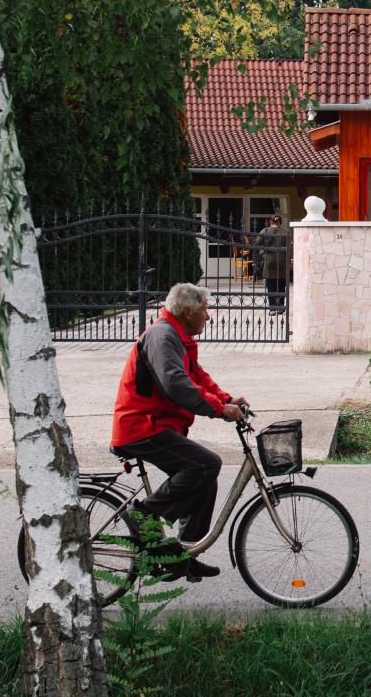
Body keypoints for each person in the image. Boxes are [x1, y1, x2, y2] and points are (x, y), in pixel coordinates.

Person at [110, 283, 246, 580]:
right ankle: (144, 513)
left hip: (159, 424)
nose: (208, 318)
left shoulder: (178, 337)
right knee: (206, 464)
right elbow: (176, 385)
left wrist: (225, 399)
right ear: (188, 312)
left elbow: (196, 376)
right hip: (141, 426)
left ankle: (185, 555)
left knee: (205, 477)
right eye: (205, 311)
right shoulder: (162, 337)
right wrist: (217, 409)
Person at [257, 214, 290, 315]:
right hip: (282, 262)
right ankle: (280, 307)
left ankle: (272, 309)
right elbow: (289, 246)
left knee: (271, 286)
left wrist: (263, 251)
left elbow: (257, 243)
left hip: (269, 261)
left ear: (271, 222)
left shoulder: (265, 231)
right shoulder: (285, 232)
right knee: (281, 286)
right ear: (280, 222)